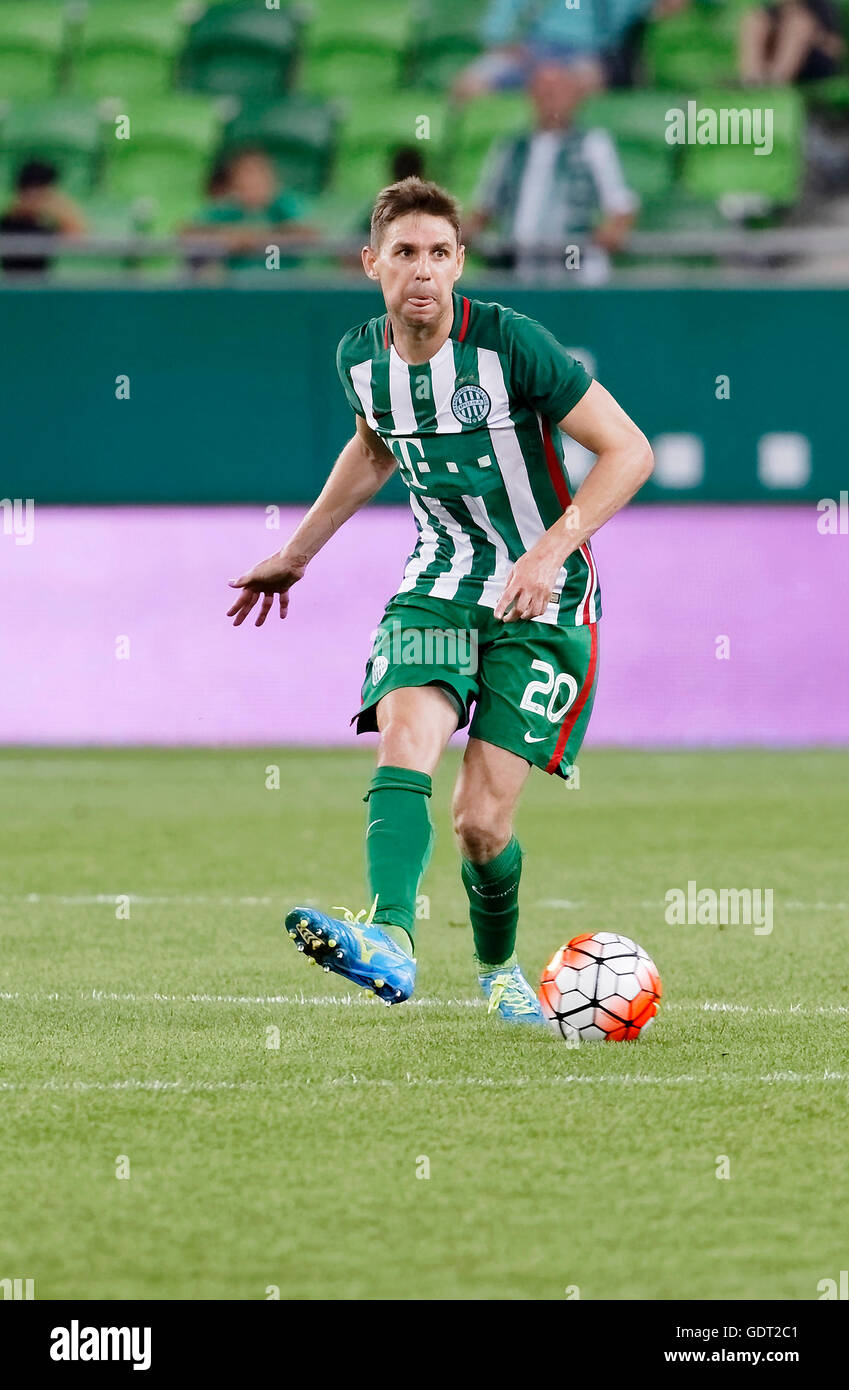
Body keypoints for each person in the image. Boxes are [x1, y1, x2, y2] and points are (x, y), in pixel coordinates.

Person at [226, 177, 653, 1024]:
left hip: (546, 600)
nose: (421, 271)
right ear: (371, 263)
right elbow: (373, 450)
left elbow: (628, 452)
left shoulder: (510, 344)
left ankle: (497, 969)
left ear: (458, 262)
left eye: (437, 254)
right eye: (403, 254)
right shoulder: (358, 358)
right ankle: (389, 935)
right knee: (405, 738)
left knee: (480, 827)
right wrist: (296, 553)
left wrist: (547, 550)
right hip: (436, 586)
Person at [466, 63, 638, 283]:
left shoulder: (593, 144)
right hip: (518, 269)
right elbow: (485, 207)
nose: (551, 99)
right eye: (544, 92)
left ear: (575, 97)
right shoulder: (511, 148)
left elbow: (621, 207)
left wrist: (612, 231)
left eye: (558, 91)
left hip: (574, 272)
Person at [453, 0, 658, 101]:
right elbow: (499, 22)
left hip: (588, 54)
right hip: (532, 49)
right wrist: (504, 43)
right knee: (469, 84)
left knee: (568, 85)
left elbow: (640, 13)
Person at [182, 148, 317, 272]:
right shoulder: (227, 209)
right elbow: (187, 233)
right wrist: (229, 238)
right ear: (234, 182)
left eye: (258, 174)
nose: (252, 181)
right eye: (246, 175)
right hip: (237, 288)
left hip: (284, 285)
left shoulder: (284, 204)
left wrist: (260, 238)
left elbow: (311, 232)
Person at [0, 160, 87, 278]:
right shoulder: (8, 220)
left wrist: (60, 212)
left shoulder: (50, 222)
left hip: (44, 287)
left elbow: (81, 241)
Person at [739, 0, 845, 84]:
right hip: (770, 66)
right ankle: (752, 77)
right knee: (756, 21)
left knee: (798, 23)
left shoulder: (821, 8)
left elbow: (835, 48)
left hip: (813, 64)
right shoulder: (772, 11)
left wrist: (813, 36)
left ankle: (777, 80)